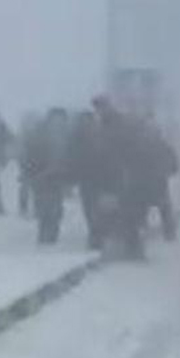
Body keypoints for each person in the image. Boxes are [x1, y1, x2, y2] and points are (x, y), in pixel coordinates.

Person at [68, 97, 127, 253]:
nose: (99, 110)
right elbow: (76, 153)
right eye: (97, 107)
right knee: (93, 208)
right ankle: (99, 238)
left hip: (108, 175)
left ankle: (104, 239)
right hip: (92, 176)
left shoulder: (115, 124)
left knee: (106, 209)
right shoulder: (92, 128)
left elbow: (118, 150)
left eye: (101, 106)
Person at [22, 108, 73, 245]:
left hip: (57, 177)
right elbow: (29, 155)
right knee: (43, 207)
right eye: (56, 119)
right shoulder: (38, 135)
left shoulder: (66, 135)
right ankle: (44, 235)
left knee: (56, 208)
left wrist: (68, 175)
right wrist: (32, 173)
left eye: (61, 119)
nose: (59, 122)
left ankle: (52, 235)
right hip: (41, 176)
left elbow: (70, 156)